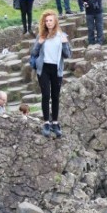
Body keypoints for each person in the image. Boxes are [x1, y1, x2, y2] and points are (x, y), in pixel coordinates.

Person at [30, 10, 71, 138]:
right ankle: (46, 123)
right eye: (46, 21)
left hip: (56, 69)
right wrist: (39, 43)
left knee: (55, 96)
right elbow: (34, 52)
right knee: (46, 95)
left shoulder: (62, 35)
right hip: (43, 69)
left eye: (51, 20)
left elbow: (68, 55)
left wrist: (64, 43)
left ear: (55, 21)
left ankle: (56, 123)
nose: (48, 23)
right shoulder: (41, 35)